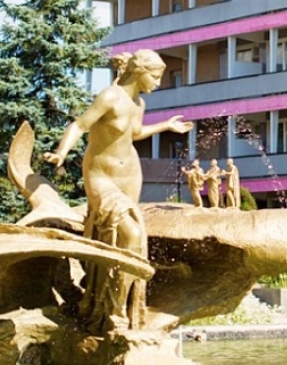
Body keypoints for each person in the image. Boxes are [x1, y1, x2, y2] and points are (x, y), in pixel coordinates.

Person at [43, 49, 192, 334]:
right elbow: (80, 125)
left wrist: (166, 126)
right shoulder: (110, 97)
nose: (158, 83)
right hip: (101, 176)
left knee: (126, 240)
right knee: (131, 235)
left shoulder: (138, 103)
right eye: (155, 76)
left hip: (130, 176)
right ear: (139, 71)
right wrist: (62, 153)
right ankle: (115, 307)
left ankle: (116, 305)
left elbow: (134, 133)